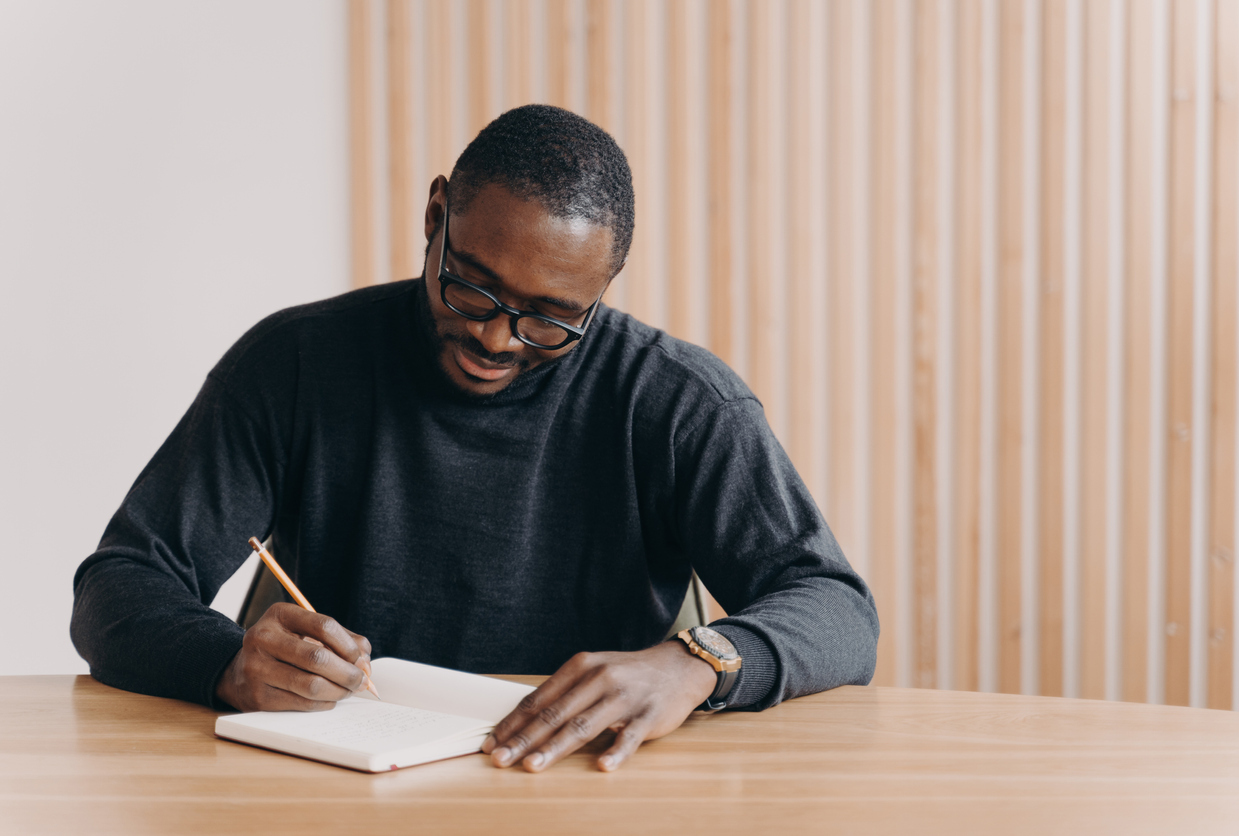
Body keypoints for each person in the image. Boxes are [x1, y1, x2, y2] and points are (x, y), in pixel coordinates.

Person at [71, 104, 878, 773]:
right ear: (435, 218)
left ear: (600, 295)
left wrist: (698, 664)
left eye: (551, 318)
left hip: (585, 785)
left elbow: (838, 609)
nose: (497, 338)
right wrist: (222, 662)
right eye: (472, 288)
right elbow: (120, 584)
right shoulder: (294, 365)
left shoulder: (676, 401)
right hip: (341, 784)